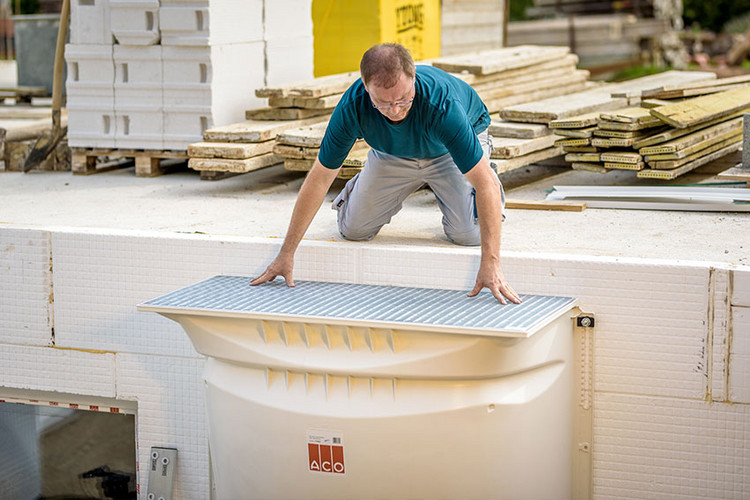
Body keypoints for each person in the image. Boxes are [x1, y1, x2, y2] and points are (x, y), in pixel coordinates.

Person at [251, 43, 521, 305]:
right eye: (382, 102)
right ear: (366, 88)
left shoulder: (442, 105)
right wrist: (286, 253)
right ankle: (364, 185)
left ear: (413, 80)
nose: (394, 110)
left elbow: (484, 185)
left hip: (447, 151)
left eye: (403, 99)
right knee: (353, 230)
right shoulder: (352, 107)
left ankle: (479, 171)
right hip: (392, 152)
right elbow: (320, 178)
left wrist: (491, 264)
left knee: (468, 235)